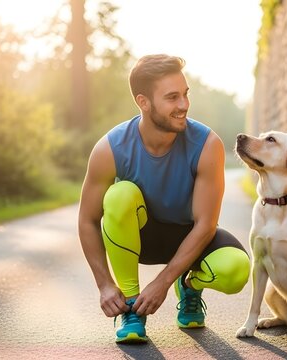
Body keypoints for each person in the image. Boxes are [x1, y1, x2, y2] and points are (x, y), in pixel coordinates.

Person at [78, 54, 251, 343]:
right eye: (172, 97)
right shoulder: (110, 148)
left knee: (236, 269)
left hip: (192, 237)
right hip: (142, 238)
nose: (183, 105)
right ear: (143, 102)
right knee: (120, 195)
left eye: (185, 94)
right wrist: (105, 285)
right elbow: (87, 220)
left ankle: (189, 285)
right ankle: (132, 309)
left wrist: (164, 282)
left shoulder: (208, 144)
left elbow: (206, 225)